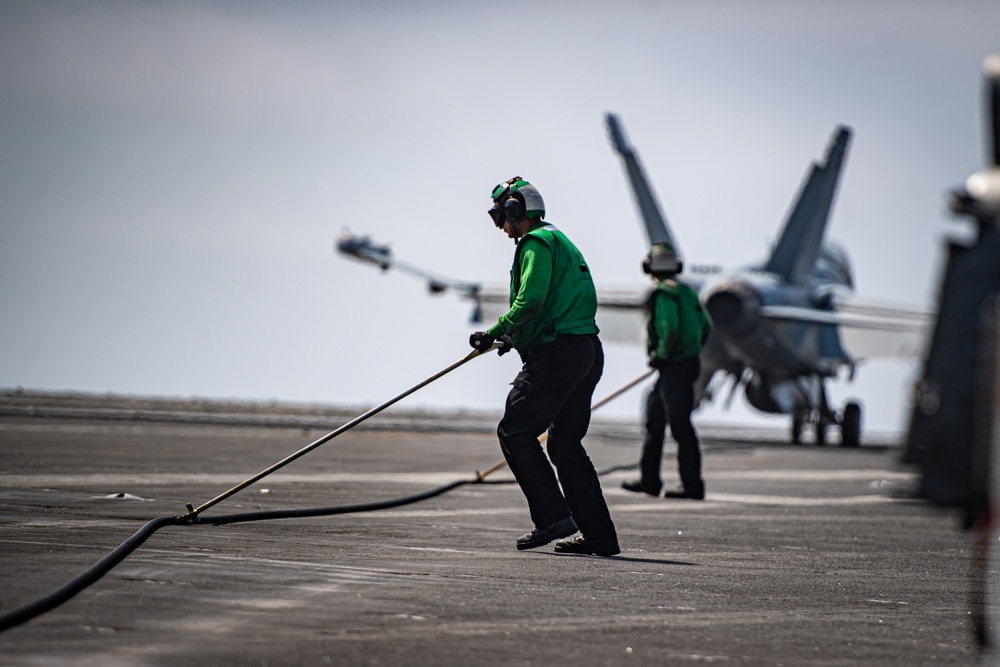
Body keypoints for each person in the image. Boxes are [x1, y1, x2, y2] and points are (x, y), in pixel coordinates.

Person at [469, 176, 620, 556]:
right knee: (566, 445)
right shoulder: (560, 240)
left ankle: (553, 517)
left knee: (516, 431)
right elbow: (555, 304)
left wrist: (493, 331)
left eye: (500, 216)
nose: (501, 226)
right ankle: (600, 536)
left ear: (515, 210)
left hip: (559, 354)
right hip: (585, 350)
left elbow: (530, 302)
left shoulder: (535, 243)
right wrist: (514, 338)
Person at [621, 243, 713, 500]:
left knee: (680, 425)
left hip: (673, 366)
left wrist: (661, 355)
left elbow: (669, 329)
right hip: (685, 364)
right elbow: (706, 325)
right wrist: (690, 350)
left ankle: (692, 486)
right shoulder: (687, 291)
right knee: (655, 417)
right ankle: (649, 481)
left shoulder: (663, 294)